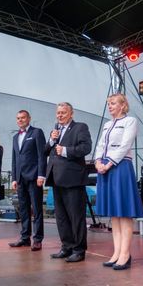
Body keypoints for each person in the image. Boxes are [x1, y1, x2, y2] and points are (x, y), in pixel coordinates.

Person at [94, 93, 143, 271]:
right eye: (109, 103)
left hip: (120, 167)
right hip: (105, 167)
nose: (110, 106)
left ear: (123, 105)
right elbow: (100, 145)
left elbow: (125, 145)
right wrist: (97, 162)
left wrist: (108, 164)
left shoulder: (130, 121)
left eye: (113, 103)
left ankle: (125, 254)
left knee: (124, 212)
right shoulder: (107, 125)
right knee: (114, 214)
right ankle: (116, 252)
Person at [45, 102, 92, 262]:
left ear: (71, 113)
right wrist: (51, 140)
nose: (60, 115)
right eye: (58, 113)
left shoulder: (80, 127)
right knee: (61, 217)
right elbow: (45, 151)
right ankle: (67, 247)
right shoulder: (55, 131)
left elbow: (86, 148)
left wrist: (66, 151)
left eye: (63, 112)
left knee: (76, 216)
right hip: (56, 178)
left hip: (73, 179)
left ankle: (79, 250)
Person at [8, 110, 47, 251]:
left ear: (29, 118)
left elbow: (42, 155)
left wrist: (41, 175)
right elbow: (14, 159)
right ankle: (25, 238)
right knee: (24, 209)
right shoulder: (15, 137)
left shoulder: (37, 133)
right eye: (18, 118)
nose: (20, 120)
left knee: (36, 209)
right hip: (20, 179)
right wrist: (14, 178)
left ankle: (37, 239)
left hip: (34, 177)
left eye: (23, 117)